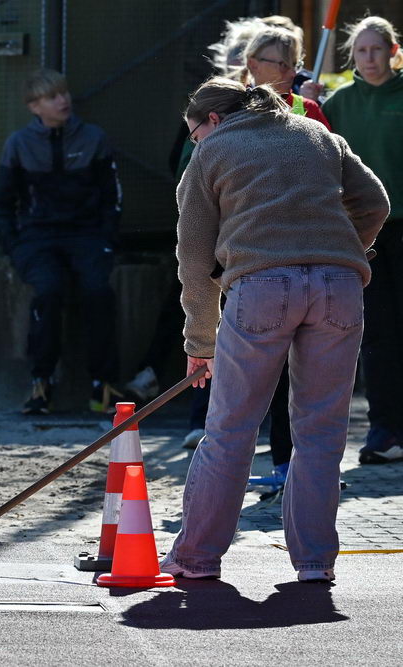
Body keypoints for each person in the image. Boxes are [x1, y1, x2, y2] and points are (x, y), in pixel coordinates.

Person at [161, 78, 389, 583]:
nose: (194, 142)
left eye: (193, 133)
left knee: (230, 430)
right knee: (322, 433)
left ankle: (195, 557)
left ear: (213, 120)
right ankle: (315, 563)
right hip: (339, 284)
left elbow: (194, 259)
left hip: (261, 284)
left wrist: (200, 342)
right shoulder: (317, 133)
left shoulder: (212, 152)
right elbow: (375, 201)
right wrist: (348, 248)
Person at [0, 68, 122, 415]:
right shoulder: (18, 144)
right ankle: (41, 383)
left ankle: (102, 386)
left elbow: (112, 197)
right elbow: (2, 202)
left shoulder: (94, 138)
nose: (63, 101)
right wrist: (15, 246)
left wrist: (107, 239)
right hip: (38, 238)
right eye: (52, 97)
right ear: (34, 107)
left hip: (88, 236)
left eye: (63, 93)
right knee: (48, 292)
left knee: (98, 292)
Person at [321, 16, 403, 464]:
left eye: (377, 49)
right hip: (362, 230)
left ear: (393, 52)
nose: (369, 58)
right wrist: (309, 106)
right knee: (377, 334)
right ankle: (385, 431)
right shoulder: (339, 104)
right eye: (362, 50)